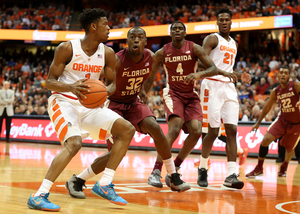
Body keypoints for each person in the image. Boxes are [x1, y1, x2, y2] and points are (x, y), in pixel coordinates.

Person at [27, 8, 135, 211]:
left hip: (90, 105)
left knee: (127, 130)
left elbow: (112, 84)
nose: (109, 28)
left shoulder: (108, 53)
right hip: (64, 101)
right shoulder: (67, 48)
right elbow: (49, 82)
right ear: (93, 27)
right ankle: (39, 194)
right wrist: (71, 87)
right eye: (105, 24)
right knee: (74, 144)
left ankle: (104, 184)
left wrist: (104, 91)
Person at [65, 27, 190, 198]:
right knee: (115, 153)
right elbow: (102, 80)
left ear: (146, 42)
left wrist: (144, 90)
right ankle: (78, 179)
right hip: (113, 104)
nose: (136, 40)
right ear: (128, 41)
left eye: (140, 37)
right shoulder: (117, 59)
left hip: (132, 102)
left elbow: (149, 76)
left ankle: (172, 175)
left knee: (157, 129)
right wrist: (104, 91)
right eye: (133, 37)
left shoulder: (149, 57)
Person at [142, 21, 235, 188]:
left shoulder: (195, 48)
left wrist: (198, 75)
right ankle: (156, 171)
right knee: (175, 129)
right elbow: (151, 76)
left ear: (185, 33)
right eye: (174, 29)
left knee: (196, 131)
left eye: (180, 29)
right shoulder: (163, 52)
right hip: (173, 94)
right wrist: (144, 94)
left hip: (191, 95)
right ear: (170, 33)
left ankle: (176, 166)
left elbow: (213, 69)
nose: (177, 31)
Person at [197, 8, 251, 189]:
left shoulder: (234, 43)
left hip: (228, 86)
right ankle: (203, 168)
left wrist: (237, 75)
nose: (225, 22)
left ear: (231, 23)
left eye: (227, 19)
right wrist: (224, 72)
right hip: (212, 84)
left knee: (232, 131)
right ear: (217, 23)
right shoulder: (212, 38)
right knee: (212, 132)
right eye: (221, 20)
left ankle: (230, 175)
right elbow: (201, 61)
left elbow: (229, 67)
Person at [246, 67, 300, 177]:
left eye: (286, 73)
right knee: (265, 139)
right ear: (278, 76)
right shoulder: (276, 91)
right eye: (281, 73)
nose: (283, 74)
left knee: (290, 149)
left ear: (289, 77)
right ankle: (259, 168)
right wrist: (258, 122)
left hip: (297, 124)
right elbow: (267, 107)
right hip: (282, 120)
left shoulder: (296, 85)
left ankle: (284, 166)